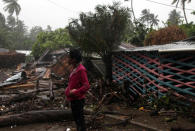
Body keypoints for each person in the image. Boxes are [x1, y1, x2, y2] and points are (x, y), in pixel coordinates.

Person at [65, 48, 90, 131]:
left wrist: (76, 92)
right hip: (73, 99)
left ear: (74, 59)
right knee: (77, 121)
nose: (67, 59)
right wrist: (67, 91)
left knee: (80, 122)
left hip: (78, 100)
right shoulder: (74, 69)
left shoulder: (81, 70)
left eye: (69, 57)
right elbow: (72, 83)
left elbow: (86, 85)